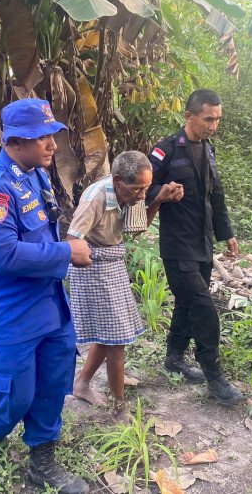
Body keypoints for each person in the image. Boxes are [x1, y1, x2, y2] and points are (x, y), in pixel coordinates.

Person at [0, 98, 92, 494]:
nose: (52, 145)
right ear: (16, 141)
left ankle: (42, 462)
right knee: (15, 394)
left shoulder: (34, 173)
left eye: (53, 135)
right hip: (10, 311)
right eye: (42, 138)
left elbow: (44, 229)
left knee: (53, 384)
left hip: (51, 305)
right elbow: (2, 256)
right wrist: (66, 253)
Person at [145, 89, 244, 406]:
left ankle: (174, 358)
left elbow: (216, 196)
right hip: (177, 246)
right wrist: (161, 192)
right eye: (208, 119)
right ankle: (214, 375)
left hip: (202, 244)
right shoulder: (166, 151)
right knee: (204, 308)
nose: (214, 126)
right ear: (189, 117)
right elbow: (140, 188)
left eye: (217, 119)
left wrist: (226, 233)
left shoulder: (208, 150)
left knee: (187, 305)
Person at [66, 151, 183, 421]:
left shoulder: (132, 193)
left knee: (109, 336)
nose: (142, 194)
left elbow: (137, 228)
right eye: (138, 189)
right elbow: (73, 238)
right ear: (118, 181)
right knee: (116, 339)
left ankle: (82, 384)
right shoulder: (95, 198)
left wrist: (158, 200)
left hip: (113, 262)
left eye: (146, 188)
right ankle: (120, 407)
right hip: (93, 266)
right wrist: (87, 266)